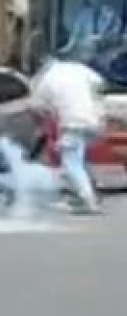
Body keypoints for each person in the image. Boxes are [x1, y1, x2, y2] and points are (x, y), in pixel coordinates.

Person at [30, 51, 109, 213]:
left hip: (73, 123)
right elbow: (100, 84)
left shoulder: (45, 79)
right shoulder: (80, 69)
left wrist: (47, 119)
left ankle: (88, 200)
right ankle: (90, 192)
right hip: (96, 121)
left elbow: (36, 108)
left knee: (70, 162)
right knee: (80, 159)